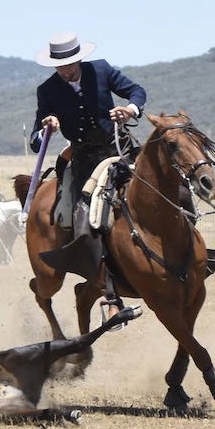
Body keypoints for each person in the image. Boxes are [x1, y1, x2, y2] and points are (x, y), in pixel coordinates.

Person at [29, 32, 146, 289]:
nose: (65, 70)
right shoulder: (47, 91)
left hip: (120, 149)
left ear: (79, 60)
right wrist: (47, 128)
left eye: (69, 64)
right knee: (88, 224)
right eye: (59, 66)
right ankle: (108, 289)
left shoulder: (101, 70)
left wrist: (129, 110)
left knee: (163, 186)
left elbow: (136, 91)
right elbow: (35, 141)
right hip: (86, 163)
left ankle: (189, 254)